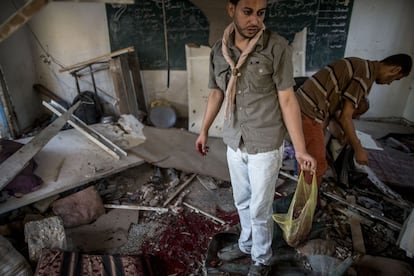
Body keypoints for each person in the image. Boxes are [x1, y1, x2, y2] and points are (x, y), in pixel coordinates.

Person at [194, 0, 316, 274]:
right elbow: (216, 93)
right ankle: (247, 244)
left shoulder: (276, 47)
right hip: (235, 139)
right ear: (231, 10)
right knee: (242, 201)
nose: (255, 21)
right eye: (247, 12)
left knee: (260, 208)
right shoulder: (219, 51)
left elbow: (287, 99)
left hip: (265, 142)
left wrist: (300, 149)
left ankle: (261, 260)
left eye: (260, 13)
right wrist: (203, 131)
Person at [296, 54, 412, 185]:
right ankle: (304, 203)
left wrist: (339, 135)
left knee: (311, 157)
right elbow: (346, 117)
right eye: (395, 79)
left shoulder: (362, 66)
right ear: (395, 70)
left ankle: (303, 190)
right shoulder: (365, 74)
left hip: (307, 107)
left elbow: (334, 115)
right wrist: (358, 149)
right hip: (308, 110)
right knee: (316, 165)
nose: (389, 83)